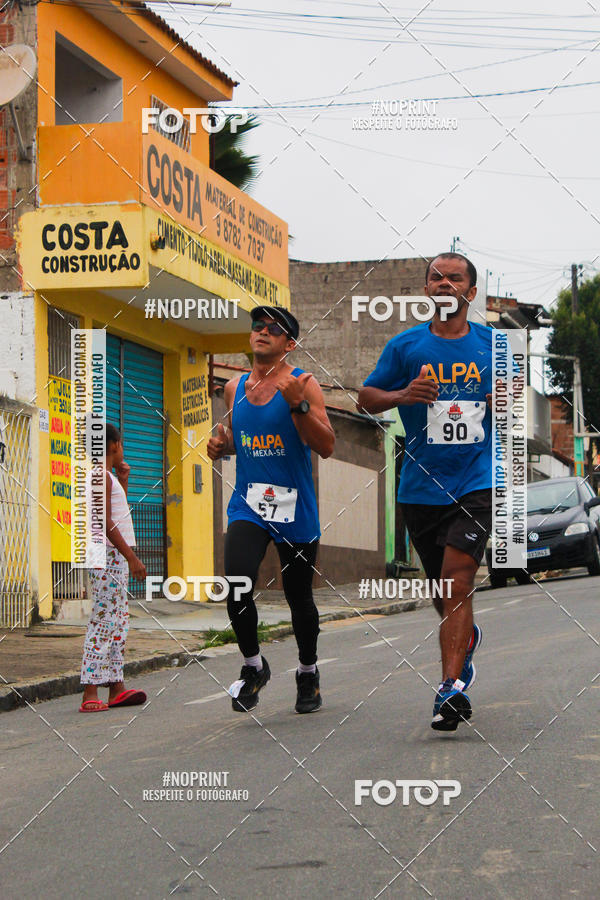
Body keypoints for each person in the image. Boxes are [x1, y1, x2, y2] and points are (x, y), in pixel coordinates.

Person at [358, 253, 493, 731]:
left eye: (454, 278)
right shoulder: (405, 346)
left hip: (477, 481)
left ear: (470, 293)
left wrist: (505, 398)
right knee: (443, 591)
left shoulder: (495, 346)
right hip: (419, 487)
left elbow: (516, 416)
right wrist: (402, 396)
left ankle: (450, 689)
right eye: (436, 277)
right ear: (426, 290)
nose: (444, 284)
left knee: (457, 581)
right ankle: (466, 638)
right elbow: (366, 397)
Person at [207, 306, 335, 714]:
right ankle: (253, 666)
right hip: (249, 501)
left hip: (293, 506)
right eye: (257, 326)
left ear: (289, 343)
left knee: (298, 598)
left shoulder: (305, 384)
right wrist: (220, 445)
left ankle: (308, 672)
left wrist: (298, 406)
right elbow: (236, 440)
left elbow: (327, 446)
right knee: (237, 583)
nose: (261, 332)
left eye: (273, 329)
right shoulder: (234, 388)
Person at [79, 423, 147, 712]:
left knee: (119, 622)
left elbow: (118, 514)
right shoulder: (99, 476)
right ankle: (90, 691)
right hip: (107, 555)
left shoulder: (108, 477)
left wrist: (124, 480)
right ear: (113, 446)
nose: (123, 450)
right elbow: (106, 523)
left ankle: (116, 687)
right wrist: (131, 556)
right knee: (105, 621)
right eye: (122, 444)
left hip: (114, 557)